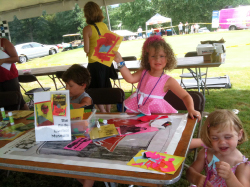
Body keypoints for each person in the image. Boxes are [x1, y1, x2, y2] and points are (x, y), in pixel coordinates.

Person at [186, 110, 250, 187]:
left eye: (227, 137)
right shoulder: (206, 153)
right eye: (215, 138)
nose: (222, 142)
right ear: (209, 137)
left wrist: (230, 177)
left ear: (239, 134)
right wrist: (197, 178)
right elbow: (189, 172)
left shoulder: (241, 164)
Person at [83, 1, 115, 113]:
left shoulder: (87, 29)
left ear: (86, 14)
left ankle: (103, 112)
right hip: (106, 60)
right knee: (106, 85)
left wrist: (87, 50)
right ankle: (108, 109)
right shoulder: (104, 25)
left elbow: (86, 49)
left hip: (94, 63)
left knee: (96, 88)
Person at [0, 37, 29, 110]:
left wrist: (3, 60)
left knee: (18, 100)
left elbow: (16, 58)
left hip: (9, 78)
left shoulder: (3, 42)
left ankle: (29, 119)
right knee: (2, 103)